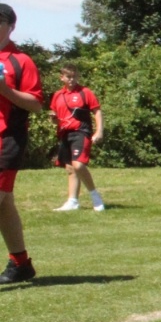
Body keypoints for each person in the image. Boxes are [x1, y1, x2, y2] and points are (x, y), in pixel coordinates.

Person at [0, 4, 44, 284]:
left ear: (11, 27)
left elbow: (36, 104)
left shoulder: (21, 61)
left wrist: (4, 89)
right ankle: (20, 264)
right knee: (4, 205)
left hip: (6, 139)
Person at [49, 63, 105, 212]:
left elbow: (97, 111)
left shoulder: (85, 92)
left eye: (74, 76)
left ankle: (95, 196)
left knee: (78, 165)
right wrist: (54, 119)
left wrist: (99, 131)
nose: (72, 79)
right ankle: (73, 201)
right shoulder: (58, 95)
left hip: (81, 131)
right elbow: (56, 118)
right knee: (70, 168)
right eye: (68, 77)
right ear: (62, 77)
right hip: (64, 133)